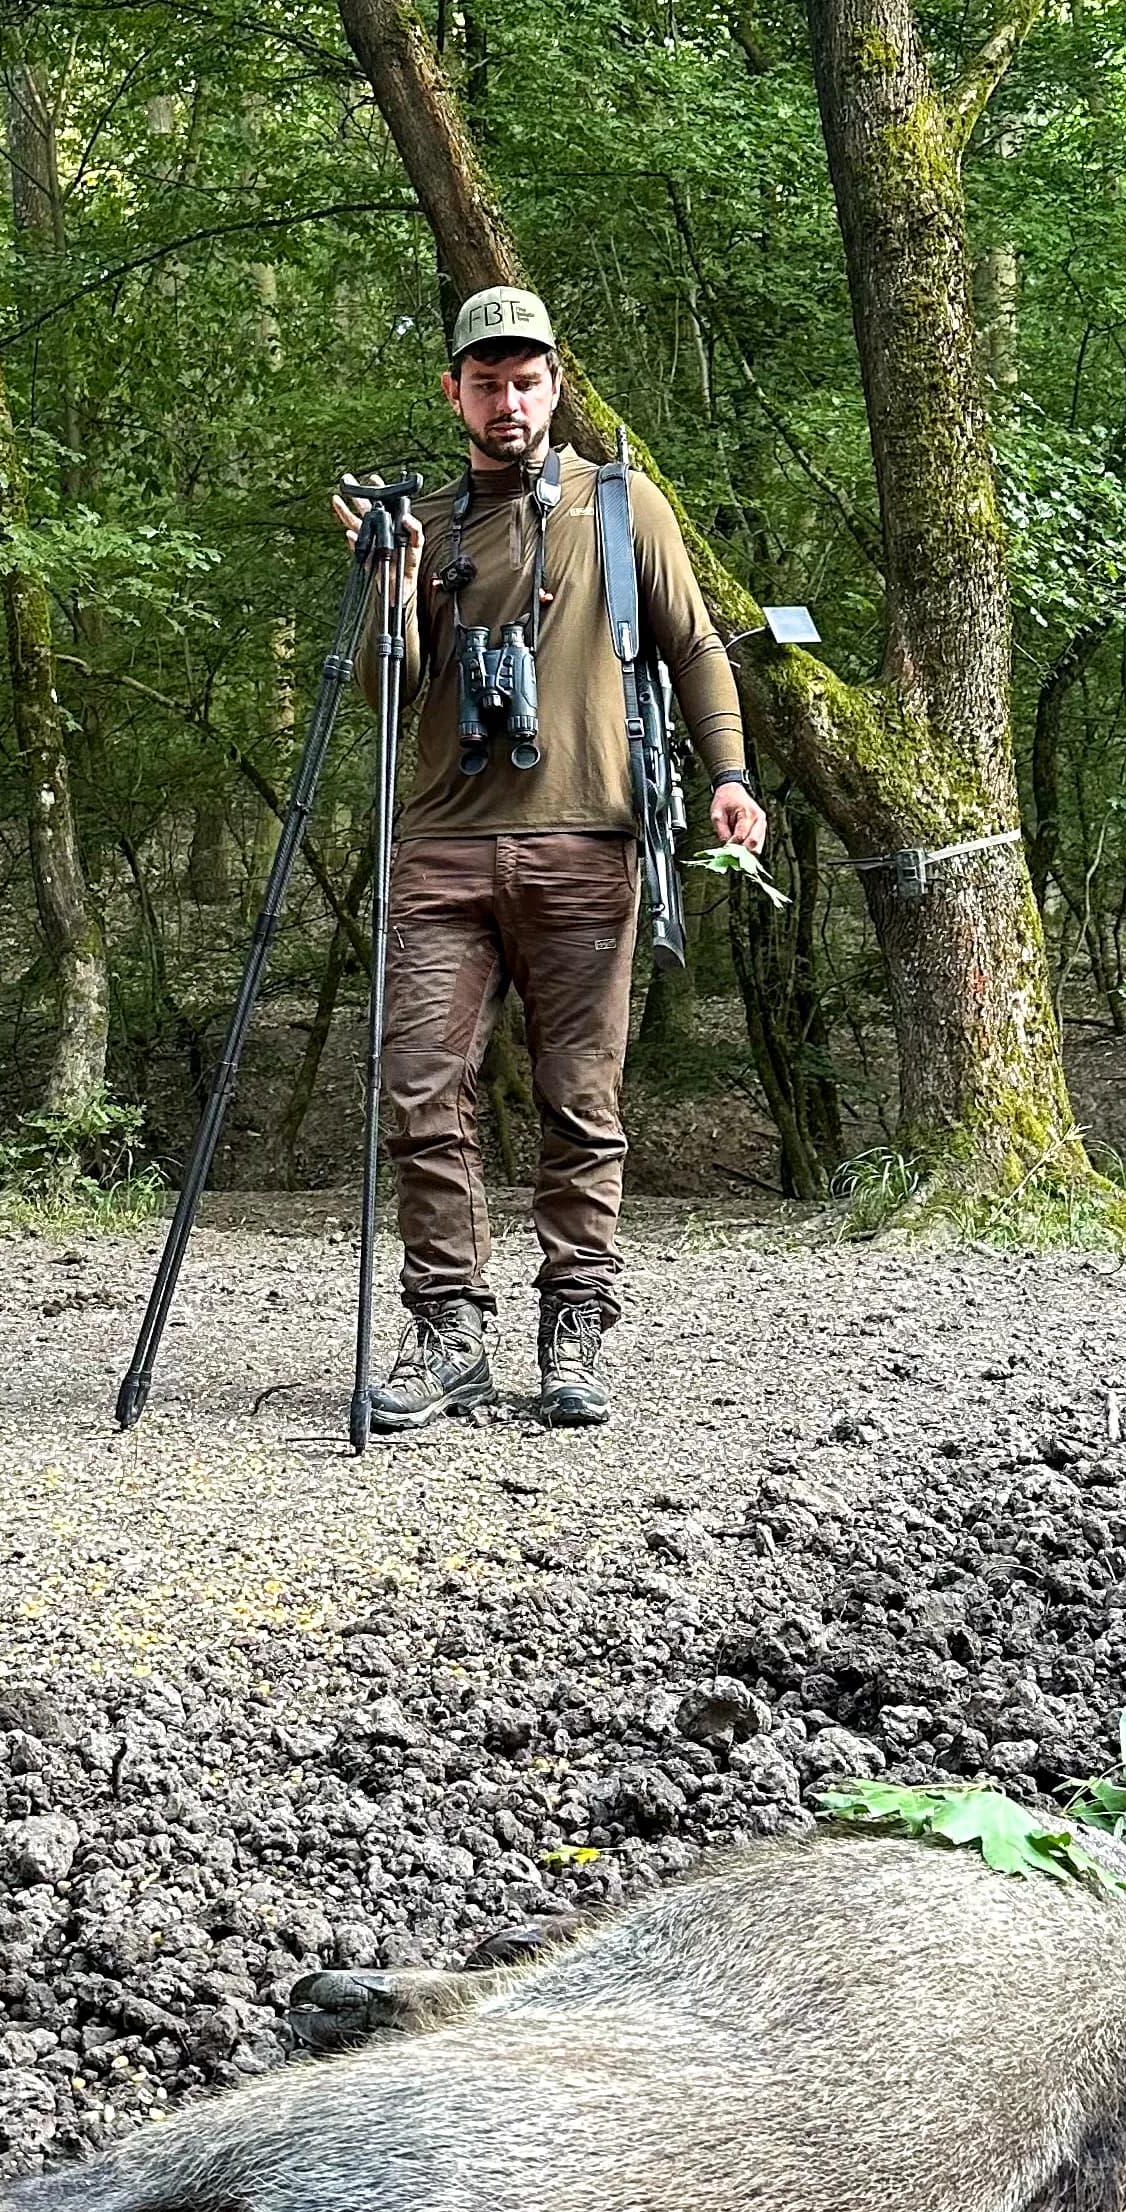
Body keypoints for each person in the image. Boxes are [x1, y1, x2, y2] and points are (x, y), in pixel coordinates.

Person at [330, 286, 765, 1434]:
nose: (508, 399)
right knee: (421, 1086)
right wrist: (389, 577)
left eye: (527, 380)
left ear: (556, 386)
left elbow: (697, 644)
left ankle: (575, 1323)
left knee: (582, 1097)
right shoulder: (420, 525)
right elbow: (391, 693)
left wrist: (730, 776)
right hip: (439, 846)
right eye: (487, 381)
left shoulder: (624, 510)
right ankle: (448, 1337)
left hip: (585, 841)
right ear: (455, 392)